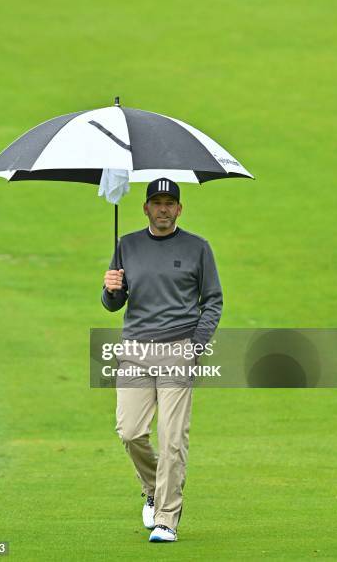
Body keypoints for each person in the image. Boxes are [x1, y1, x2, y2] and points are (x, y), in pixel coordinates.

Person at [101, 177, 223, 543]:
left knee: (172, 439)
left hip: (178, 349)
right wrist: (110, 289)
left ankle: (167, 518)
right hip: (135, 349)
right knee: (130, 431)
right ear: (146, 208)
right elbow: (113, 303)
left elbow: (213, 301)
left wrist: (195, 346)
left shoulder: (198, 248)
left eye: (170, 202)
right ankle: (154, 488)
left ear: (180, 209)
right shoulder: (127, 245)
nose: (164, 208)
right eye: (157, 202)